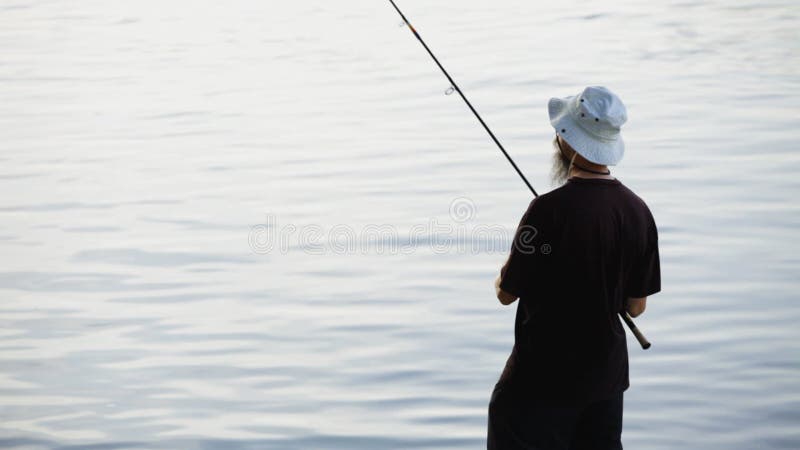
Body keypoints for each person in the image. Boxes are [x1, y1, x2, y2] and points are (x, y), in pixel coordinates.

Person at [486, 86, 661, 450]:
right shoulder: (638, 211)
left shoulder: (545, 210)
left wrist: (506, 268)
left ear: (568, 142)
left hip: (539, 384)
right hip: (605, 383)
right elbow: (635, 306)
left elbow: (506, 294)